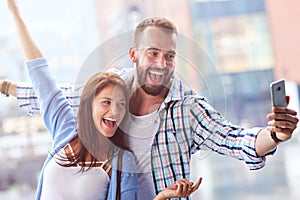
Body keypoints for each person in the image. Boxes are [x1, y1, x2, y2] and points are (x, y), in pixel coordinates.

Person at [1, 1, 298, 200]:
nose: (161, 63)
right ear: (134, 55)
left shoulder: (188, 110)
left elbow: (234, 139)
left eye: (169, 56)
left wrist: (275, 134)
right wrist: (8, 86)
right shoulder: (111, 89)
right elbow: (54, 92)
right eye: (152, 53)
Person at [4, 0, 203, 200]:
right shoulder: (65, 129)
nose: (114, 111)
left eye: (121, 105)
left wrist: (162, 197)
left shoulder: (123, 163)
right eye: (106, 103)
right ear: (89, 105)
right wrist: (15, 13)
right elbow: (41, 76)